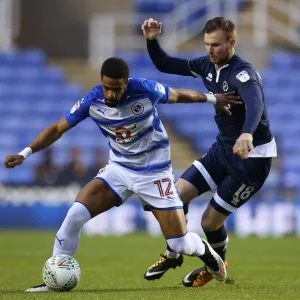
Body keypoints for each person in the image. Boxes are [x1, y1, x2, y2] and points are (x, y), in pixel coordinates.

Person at [4, 57, 240, 292]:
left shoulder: (146, 90)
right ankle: (53, 282)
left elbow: (179, 95)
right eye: (107, 88)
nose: (111, 95)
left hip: (155, 175)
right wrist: (25, 153)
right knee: (75, 215)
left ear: (126, 84)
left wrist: (213, 99)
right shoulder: (92, 100)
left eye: (116, 89)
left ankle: (204, 250)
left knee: (179, 243)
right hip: (119, 170)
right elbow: (57, 129)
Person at [141, 17, 277, 287]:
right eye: (206, 44)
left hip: (252, 158)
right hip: (223, 148)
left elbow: (255, 103)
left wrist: (247, 133)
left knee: (209, 223)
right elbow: (166, 64)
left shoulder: (243, 73)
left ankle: (217, 266)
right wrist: (151, 41)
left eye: (215, 45)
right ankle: (173, 253)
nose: (210, 50)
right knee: (176, 196)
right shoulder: (206, 65)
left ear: (232, 43)